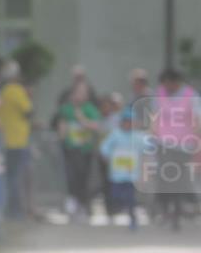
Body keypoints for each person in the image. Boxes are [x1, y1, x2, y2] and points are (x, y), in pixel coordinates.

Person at [150, 68, 200, 231]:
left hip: (184, 144)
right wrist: (153, 134)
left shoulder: (190, 95)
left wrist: (197, 136)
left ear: (176, 82)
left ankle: (180, 210)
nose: (167, 87)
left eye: (169, 83)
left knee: (181, 177)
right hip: (164, 142)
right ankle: (165, 208)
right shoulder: (160, 94)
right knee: (165, 176)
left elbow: (197, 118)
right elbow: (154, 116)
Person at [58, 81, 101, 221]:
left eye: (83, 93)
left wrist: (82, 119)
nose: (80, 95)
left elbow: (96, 126)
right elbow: (62, 125)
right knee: (71, 176)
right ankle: (73, 202)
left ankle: (83, 205)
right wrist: (62, 137)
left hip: (85, 149)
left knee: (83, 177)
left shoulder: (90, 109)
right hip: (71, 148)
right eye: (78, 92)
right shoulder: (66, 109)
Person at [100, 107, 149, 231]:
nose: (128, 124)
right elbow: (104, 147)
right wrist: (106, 156)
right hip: (117, 174)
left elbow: (148, 148)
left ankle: (133, 219)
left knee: (130, 197)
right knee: (116, 195)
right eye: (126, 121)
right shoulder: (115, 134)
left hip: (131, 174)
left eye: (131, 122)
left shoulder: (138, 136)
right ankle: (116, 210)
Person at [0, 60, 33, 219]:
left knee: (10, 176)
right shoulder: (16, 90)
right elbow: (29, 112)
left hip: (4, 139)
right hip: (18, 140)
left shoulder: (1, 91)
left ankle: (10, 209)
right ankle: (15, 211)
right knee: (16, 177)